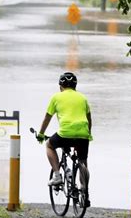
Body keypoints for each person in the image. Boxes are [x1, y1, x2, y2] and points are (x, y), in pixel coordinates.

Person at [37, 72, 92, 203]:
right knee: (82, 160)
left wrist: (41, 134)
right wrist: (87, 134)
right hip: (83, 134)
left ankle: (57, 176)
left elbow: (47, 118)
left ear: (61, 86)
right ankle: (84, 189)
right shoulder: (83, 98)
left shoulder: (56, 97)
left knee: (49, 145)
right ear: (75, 86)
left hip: (65, 133)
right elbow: (89, 119)